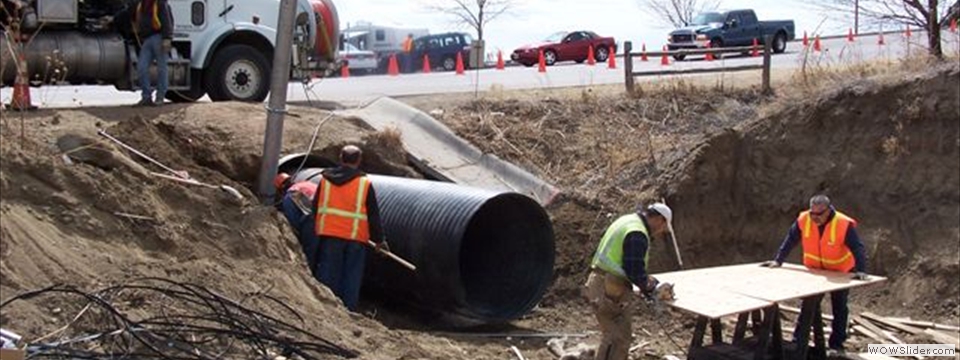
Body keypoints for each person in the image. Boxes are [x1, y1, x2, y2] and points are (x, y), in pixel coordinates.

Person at [760, 194, 868, 353]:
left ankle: (837, 344)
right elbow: (790, 239)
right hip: (816, 271)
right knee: (809, 306)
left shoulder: (843, 224)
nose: (815, 217)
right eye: (812, 213)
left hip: (841, 271)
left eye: (819, 214)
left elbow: (858, 248)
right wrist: (778, 260)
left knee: (839, 307)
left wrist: (861, 270)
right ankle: (798, 340)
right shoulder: (804, 219)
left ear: (829, 210)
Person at [585, 203, 674, 360]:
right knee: (617, 338)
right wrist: (649, 286)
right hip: (610, 287)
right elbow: (634, 269)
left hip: (602, 282)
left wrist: (645, 282)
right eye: (663, 227)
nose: (660, 232)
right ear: (660, 219)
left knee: (614, 336)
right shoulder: (637, 233)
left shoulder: (628, 221)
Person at [313, 145, 387, 312]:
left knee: (328, 272)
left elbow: (315, 207)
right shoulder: (364, 184)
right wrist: (380, 240)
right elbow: (374, 215)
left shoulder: (325, 180)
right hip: (355, 238)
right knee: (351, 277)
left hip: (330, 234)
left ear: (341, 158)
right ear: (359, 160)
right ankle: (348, 312)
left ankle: (325, 308)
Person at [104, 0, 173, 106]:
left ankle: (160, 97)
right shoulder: (140, 4)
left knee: (162, 68)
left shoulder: (160, 3)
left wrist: (167, 38)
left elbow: (167, 20)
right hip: (147, 39)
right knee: (141, 67)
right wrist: (113, 19)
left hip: (159, 38)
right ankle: (146, 97)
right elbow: (126, 13)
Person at [274, 172, 322, 278]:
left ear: (281, 188)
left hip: (313, 222)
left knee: (309, 253)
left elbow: (293, 224)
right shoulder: (308, 184)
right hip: (331, 219)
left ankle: (310, 278)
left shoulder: (290, 195)